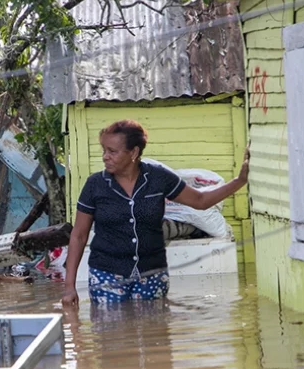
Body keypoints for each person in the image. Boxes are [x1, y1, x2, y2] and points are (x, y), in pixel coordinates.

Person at [61, 119, 250, 306]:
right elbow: (79, 235)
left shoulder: (158, 178)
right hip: (107, 274)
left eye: (112, 151)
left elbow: (200, 201)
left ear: (134, 152)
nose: (105, 156)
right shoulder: (95, 185)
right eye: (104, 150)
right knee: (111, 331)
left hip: (152, 274)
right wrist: (70, 287)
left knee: (153, 330)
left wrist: (239, 181)